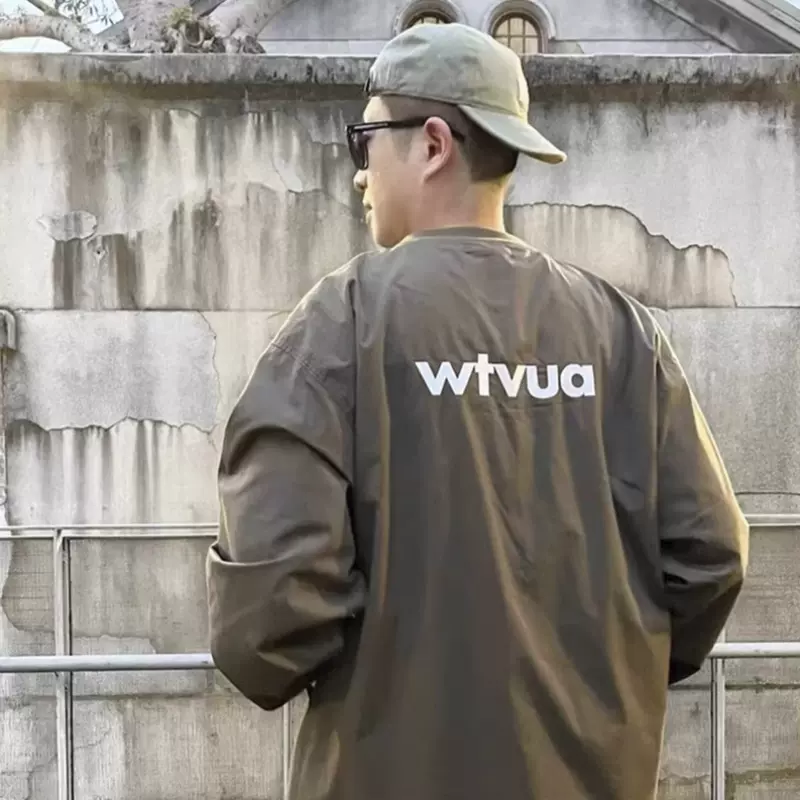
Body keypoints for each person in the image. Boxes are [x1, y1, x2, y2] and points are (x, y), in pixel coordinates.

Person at [205, 22, 749, 800]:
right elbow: (711, 556)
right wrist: (607, 676)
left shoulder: (342, 322)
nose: (359, 174)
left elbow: (265, 620)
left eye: (365, 140)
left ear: (433, 145)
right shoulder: (621, 332)